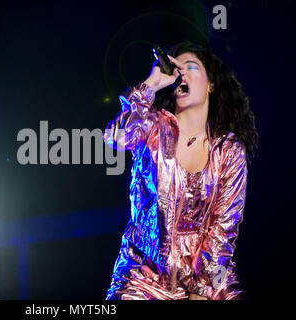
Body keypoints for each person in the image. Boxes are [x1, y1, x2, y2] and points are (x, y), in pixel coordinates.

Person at [104, 41, 258, 300]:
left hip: (212, 276)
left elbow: (224, 227)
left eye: (192, 67)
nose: (182, 73)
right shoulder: (152, 126)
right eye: (177, 68)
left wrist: (201, 290)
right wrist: (151, 85)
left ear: (211, 85)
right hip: (143, 276)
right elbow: (116, 138)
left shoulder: (229, 149)